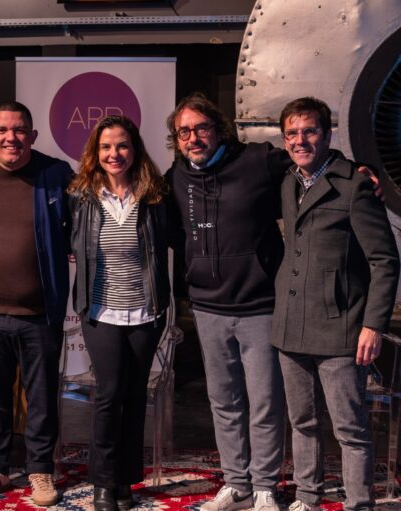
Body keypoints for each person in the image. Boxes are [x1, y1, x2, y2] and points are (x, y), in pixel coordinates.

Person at [272, 97, 399, 511]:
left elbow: (385, 261)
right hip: (291, 325)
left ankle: (359, 504)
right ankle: (307, 497)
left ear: (326, 135)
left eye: (309, 131)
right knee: (302, 422)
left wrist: (373, 325)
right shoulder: (289, 182)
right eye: (292, 133)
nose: (300, 140)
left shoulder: (355, 185)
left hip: (341, 327)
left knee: (350, 429)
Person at [165, 93, 289, 511]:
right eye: (184, 131)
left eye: (201, 127)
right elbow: (170, 229)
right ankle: (237, 484)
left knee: (265, 401)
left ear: (218, 129)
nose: (193, 137)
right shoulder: (176, 177)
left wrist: (356, 171)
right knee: (224, 402)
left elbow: (310, 160)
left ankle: (265, 485)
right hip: (207, 308)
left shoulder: (257, 161)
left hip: (260, 305)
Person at [0, 101, 72, 507]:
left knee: (41, 398)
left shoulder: (56, 173)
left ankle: (40, 470)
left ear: (32, 136)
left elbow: (76, 226)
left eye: (19, 130)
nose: (11, 138)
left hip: (39, 315)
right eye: (2, 130)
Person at [68, 116, 171, 511]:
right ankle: (103, 483)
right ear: (96, 153)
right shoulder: (81, 196)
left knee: (134, 395)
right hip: (101, 313)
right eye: (106, 147)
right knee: (109, 395)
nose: (115, 154)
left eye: (122, 145)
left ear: (135, 149)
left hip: (145, 313)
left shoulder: (155, 195)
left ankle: (126, 480)